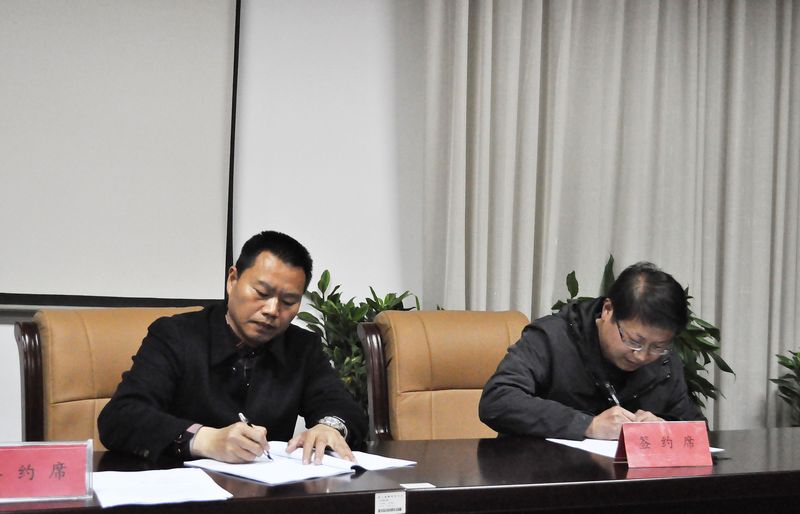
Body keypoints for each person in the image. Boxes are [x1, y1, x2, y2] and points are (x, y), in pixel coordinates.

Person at [98, 230, 366, 464]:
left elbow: (343, 408)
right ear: (232, 280)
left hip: (267, 495)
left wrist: (330, 427)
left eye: (288, 301)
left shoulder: (302, 347)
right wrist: (204, 439)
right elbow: (121, 417)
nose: (272, 310)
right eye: (262, 293)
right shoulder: (175, 335)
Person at [479, 261, 704, 440]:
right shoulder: (552, 338)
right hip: (543, 474)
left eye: (658, 346)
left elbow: (697, 428)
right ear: (608, 310)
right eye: (634, 341)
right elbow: (498, 400)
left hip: (626, 480)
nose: (642, 355)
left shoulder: (663, 361)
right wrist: (588, 425)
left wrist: (665, 428)